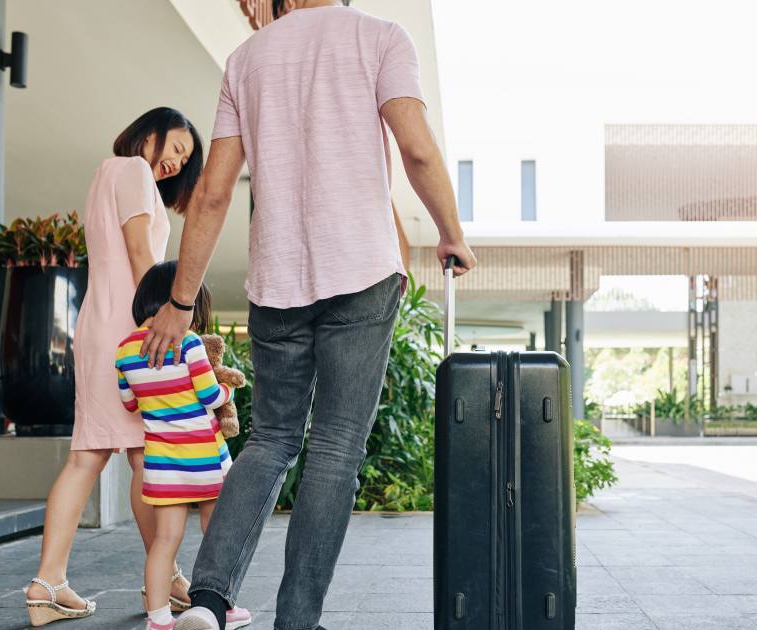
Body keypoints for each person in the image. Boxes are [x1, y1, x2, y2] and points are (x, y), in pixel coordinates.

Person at [142, 2, 477, 629]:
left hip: (277, 282)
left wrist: (180, 302)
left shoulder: (247, 59)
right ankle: (297, 621)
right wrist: (450, 232)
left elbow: (213, 193)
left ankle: (209, 600)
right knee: (335, 449)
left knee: (269, 441)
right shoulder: (379, 38)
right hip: (360, 274)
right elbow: (418, 152)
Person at [25, 108, 203, 627]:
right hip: (134, 327)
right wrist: (164, 319)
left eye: (185, 160)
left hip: (99, 324)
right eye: (176, 148)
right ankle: (166, 579)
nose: (175, 162)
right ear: (151, 133)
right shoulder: (134, 171)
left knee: (88, 456)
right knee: (147, 454)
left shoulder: (107, 172)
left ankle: (47, 584)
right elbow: (140, 253)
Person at [115, 261, 252, 630]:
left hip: (163, 463)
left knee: (164, 541)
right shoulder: (189, 343)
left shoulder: (124, 351)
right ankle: (221, 605)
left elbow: (130, 403)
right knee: (216, 535)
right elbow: (209, 395)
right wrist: (229, 389)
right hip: (204, 458)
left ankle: (158, 619)